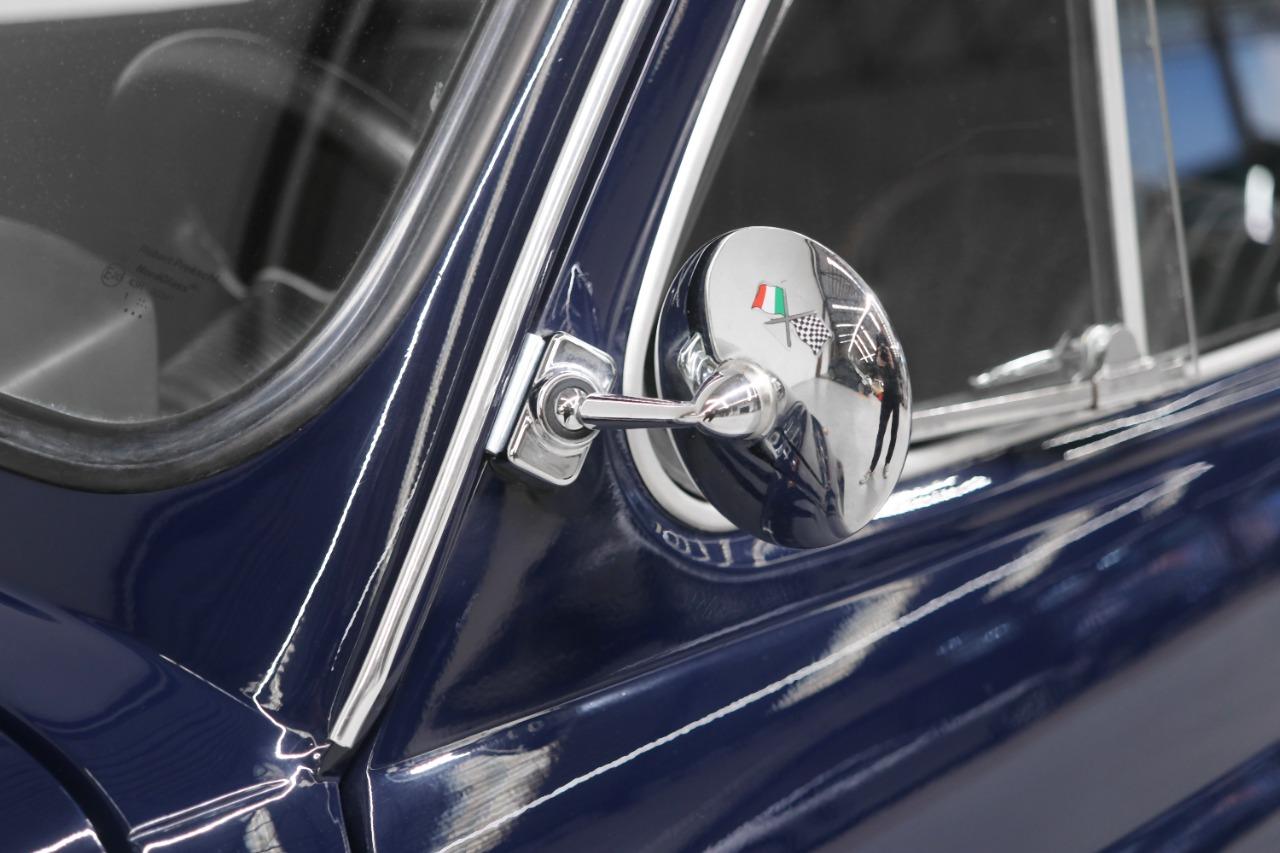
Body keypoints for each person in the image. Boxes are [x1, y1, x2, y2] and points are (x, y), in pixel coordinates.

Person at [861, 339, 902, 484]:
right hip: (886, 402)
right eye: (880, 353)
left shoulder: (893, 364)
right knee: (881, 435)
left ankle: (887, 464)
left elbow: (897, 374)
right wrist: (874, 389)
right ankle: (871, 469)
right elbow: (873, 382)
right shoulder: (877, 366)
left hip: (896, 400)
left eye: (884, 353)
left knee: (894, 434)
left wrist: (889, 358)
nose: (882, 354)